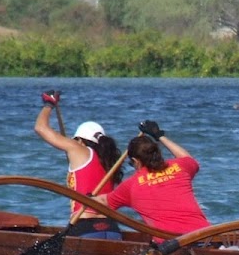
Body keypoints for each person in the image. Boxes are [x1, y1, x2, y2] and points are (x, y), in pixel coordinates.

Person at [94, 120, 211, 236]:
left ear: (135, 161)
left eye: (131, 163)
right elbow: (188, 158)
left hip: (172, 242)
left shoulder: (131, 185)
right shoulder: (179, 166)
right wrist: (159, 135)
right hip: (207, 236)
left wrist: (90, 198)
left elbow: (104, 202)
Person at [34, 90, 123, 239]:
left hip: (85, 227)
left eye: (74, 140)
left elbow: (40, 128)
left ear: (80, 140)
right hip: (113, 229)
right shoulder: (110, 161)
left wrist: (49, 104)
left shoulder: (79, 149)